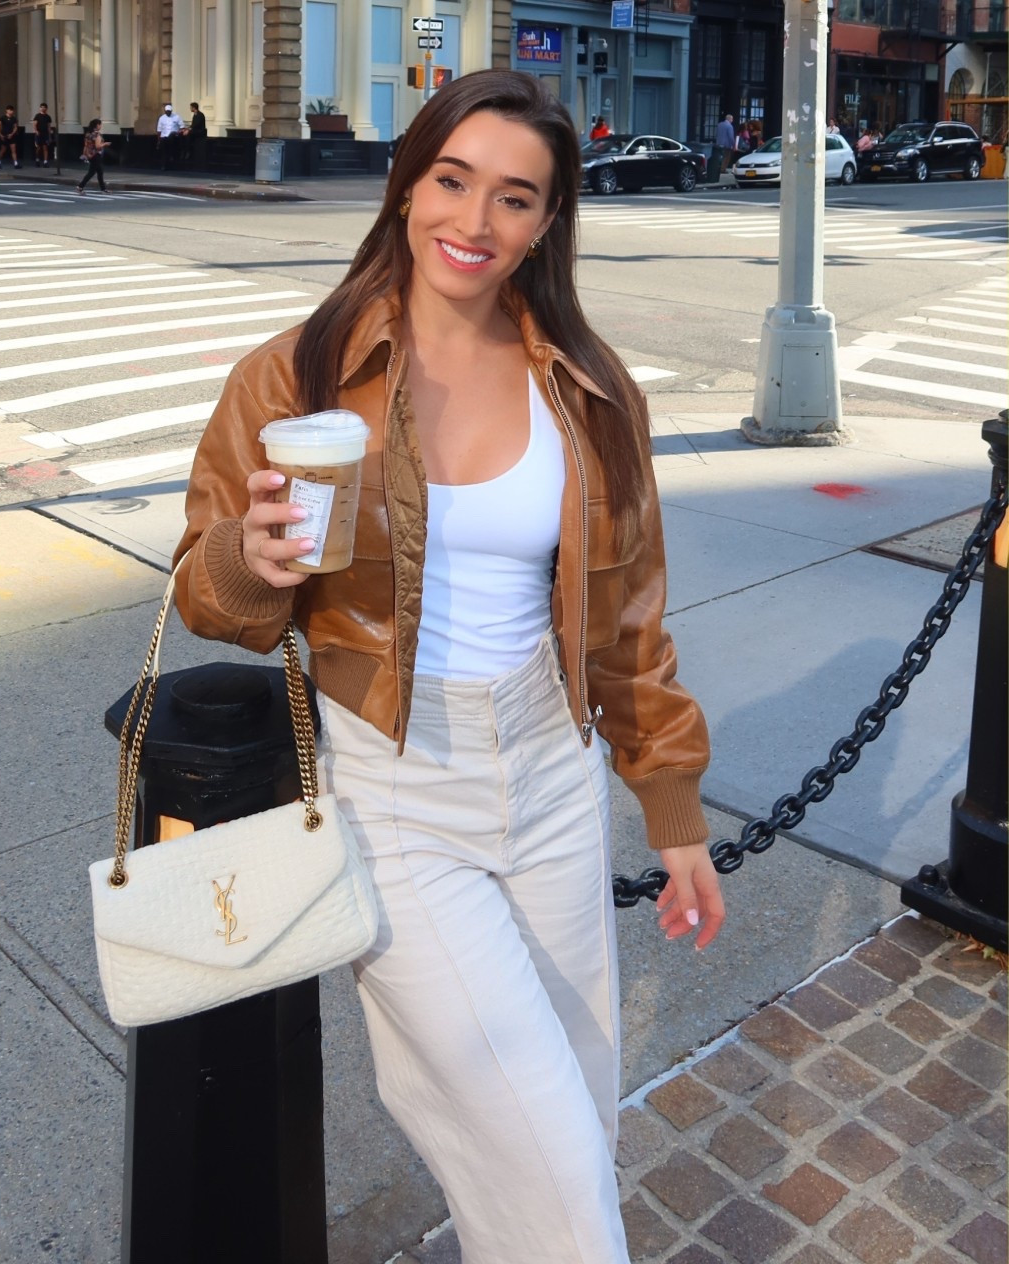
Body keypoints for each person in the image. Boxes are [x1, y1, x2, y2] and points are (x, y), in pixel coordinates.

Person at [175, 69, 723, 1264]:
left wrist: (670, 804)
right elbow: (204, 592)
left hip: (552, 773)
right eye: (452, 179)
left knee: (569, 1118)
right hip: (393, 783)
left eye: (515, 197)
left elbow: (628, 615)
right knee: (554, 1169)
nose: (474, 224)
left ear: (547, 221)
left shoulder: (587, 386)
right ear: (407, 181)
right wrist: (253, 558)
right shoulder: (296, 375)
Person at [77, 117, 109, 194]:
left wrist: (85, 154)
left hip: (90, 155)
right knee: (92, 172)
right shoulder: (97, 134)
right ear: (97, 125)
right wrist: (105, 144)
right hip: (96, 155)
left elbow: (86, 145)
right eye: (100, 124)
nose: (100, 126)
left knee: (99, 172)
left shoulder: (88, 134)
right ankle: (80, 186)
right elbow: (98, 146)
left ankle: (103, 189)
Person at [156, 103, 185, 169]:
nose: (168, 113)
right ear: (165, 111)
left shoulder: (177, 117)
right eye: (167, 112)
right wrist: (158, 140)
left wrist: (178, 132)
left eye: (169, 112)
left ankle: (172, 162)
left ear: (171, 111)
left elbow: (182, 127)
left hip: (174, 137)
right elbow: (159, 130)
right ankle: (164, 165)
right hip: (164, 137)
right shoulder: (161, 118)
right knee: (164, 151)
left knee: (172, 143)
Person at [185, 100, 208, 168]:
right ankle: (186, 149)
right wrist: (187, 128)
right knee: (185, 133)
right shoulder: (195, 115)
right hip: (195, 130)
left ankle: (188, 150)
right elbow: (193, 125)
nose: (190, 109)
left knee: (188, 134)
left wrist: (189, 130)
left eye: (191, 107)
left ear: (194, 108)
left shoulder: (200, 115)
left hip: (200, 132)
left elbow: (196, 125)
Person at [32, 102, 54, 167]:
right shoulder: (37, 116)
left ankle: (45, 162)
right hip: (39, 134)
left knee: (45, 148)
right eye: (41, 107)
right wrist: (36, 131)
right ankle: (37, 159)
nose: (43, 108)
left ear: (46, 108)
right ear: (40, 108)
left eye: (44, 107)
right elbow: (34, 124)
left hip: (45, 134)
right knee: (38, 147)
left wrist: (50, 136)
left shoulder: (48, 117)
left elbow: (49, 126)